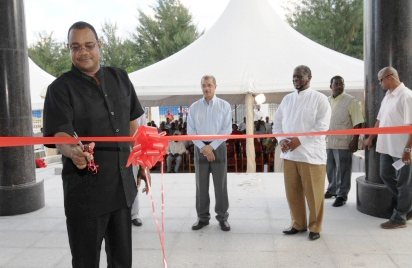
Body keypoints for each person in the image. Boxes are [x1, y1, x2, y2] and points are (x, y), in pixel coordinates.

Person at [42, 21, 146, 267]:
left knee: (122, 261)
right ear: (68, 49)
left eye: (89, 45)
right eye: (75, 46)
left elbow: (134, 122)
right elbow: (59, 134)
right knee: (85, 261)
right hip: (86, 193)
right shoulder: (59, 88)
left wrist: (141, 160)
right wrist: (72, 151)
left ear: (99, 46)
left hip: (122, 189)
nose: (83, 51)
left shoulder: (120, 77)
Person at [272, 65, 331, 241]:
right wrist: (281, 140)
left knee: (314, 194)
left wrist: (300, 140)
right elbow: (277, 123)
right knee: (293, 192)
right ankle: (298, 224)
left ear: (309, 77)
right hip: (289, 155)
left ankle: (315, 227)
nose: (295, 79)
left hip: (311, 156)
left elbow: (322, 126)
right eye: (293, 77)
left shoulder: (320, 99)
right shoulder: (287, 99)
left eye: (299, 76)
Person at [363, 66, 412, 229]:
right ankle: (406, 207)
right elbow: (380, 120)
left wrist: (407, 150)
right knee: (385, 175)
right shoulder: (388, 95)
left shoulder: (406, 96)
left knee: (404, 183)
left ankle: (399, 217)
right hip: (386, 147)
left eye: (381, 80)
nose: (379, 84)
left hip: (402, 150)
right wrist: (371, 138)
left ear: (390, 77)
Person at [187, 75, 232, 231]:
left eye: (209, 85)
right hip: (200, 148)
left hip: (218, 146)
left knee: (220, 184)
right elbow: (190, 131)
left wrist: (211, 147)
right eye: (203, 85)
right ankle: (202, 218)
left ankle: (222, 217)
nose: (206, 88)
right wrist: (204, 148)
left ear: (215, 86)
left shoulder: (224, 106)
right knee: (201, 185)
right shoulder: (194, 107)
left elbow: (227, 130)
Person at [325, 76, 364, 207]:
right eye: (335, 84)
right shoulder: (327, 101)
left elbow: (358, 122)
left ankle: (342, 195)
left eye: (341, 84)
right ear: (331, 86)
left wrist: (355, 140)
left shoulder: (351, 101)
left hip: (344, 142)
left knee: (343, 170)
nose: (339, 86)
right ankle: (332, 189)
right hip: (329, 142)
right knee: (330, 168)